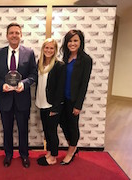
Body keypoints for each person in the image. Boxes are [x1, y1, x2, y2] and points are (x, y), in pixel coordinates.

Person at [0, 22, 37, 168]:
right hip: (5, 99)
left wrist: (24, 84)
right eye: (11, 33)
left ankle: (24, 155)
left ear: (21, 35)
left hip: (22, 99)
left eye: (17, 33)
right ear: (7, 36)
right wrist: (1, 85)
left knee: (23, 129)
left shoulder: (29, 53)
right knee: (7, 129)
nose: (14, 35)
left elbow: (33, 74)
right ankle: (8, 155)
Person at [59, 30, 92, 165]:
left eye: (75, 40)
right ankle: (72, 145)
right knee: (62, 123)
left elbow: (84, 84)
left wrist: (78, 105)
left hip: (74, 100)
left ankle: (71, 151)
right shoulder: (65, 57)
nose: (72, 43)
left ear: (80, 42)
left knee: (73, 126)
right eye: (70, 41)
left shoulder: (86, 60)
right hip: (63, 99)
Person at [35, 38, 65, 166]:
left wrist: (55, 108)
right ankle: (49, 152)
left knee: (52, 132)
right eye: (46, 47)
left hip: (52, 105)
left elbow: (60, 89)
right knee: (46, 130)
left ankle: (53, 157)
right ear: (43, 49)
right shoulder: (40, 63)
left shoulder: (59, 66)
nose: (48, 50)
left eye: (51, 48)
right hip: (41, 103)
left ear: (55, 50)